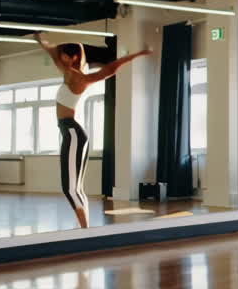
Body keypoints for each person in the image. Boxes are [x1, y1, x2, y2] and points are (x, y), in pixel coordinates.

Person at [35, 34, 151, 228]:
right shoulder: (68, 72)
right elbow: (52, 51)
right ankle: (86, 230)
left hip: (73, 133)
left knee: (71, 189)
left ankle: (85, 231)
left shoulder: (77, 77)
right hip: (71, 133)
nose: (60, 58)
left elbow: (108, 70)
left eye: (64, 55)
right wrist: (41, 41)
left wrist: (136, 55)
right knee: (76, 189)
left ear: (73, 58)